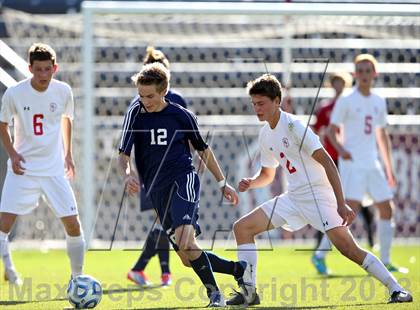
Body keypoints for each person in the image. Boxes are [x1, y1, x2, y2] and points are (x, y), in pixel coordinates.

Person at [226, 73, 412, 306]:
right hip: (294, 198)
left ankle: (397, 289)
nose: (257, 109)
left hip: (318, 196)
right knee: (242, 228)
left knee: (348, 249)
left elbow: (328, 163)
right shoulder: (265, 134)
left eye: (261, 103)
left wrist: (340, 202)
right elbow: (268, 174)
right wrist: (251, 182)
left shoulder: (294, 126)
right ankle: (249, 292)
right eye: (254, 104)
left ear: (277, 101)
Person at [118, 62, 247, 307]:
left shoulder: (180, 115)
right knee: (187, 257)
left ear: (164, 91)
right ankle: (238, 269)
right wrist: (127, 174)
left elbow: (204, 151)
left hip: (183, 180)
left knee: (186, 242)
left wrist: (222, 183)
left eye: (150, 96)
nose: (145, 101)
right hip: (156, 190)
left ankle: (215, 295)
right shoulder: (134, 114)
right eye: (141, 95)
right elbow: (123, 154)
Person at [0, 43, 85, 284]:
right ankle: (10, 270)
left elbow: (67, 119)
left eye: (48, 69)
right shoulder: (14, 93)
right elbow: (2, 124)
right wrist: (13, 155)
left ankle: (77, 279)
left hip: (53, 169)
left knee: (73, 224)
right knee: (3, 225)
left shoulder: (63, 91)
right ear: (30, 68)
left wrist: (68, 154)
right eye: (38, 70)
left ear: (54, 68)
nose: (43, 75)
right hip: (23, 168)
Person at [326, 54, 404, 273]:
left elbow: (382, 135)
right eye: (359, 70)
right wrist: (342, 151)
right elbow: (330, 131)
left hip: (372, 163)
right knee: (347, 213)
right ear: (355, 74)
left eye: (367, 70)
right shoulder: (346, 99)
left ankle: (386, 259)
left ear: (375, 74)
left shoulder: (379, 100)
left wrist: (389, 167)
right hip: (353, 165)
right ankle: (321, 254)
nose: (364, 74)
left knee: (387, 209)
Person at [127, 46, 188, 287]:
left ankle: (152, 271)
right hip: (164, 172)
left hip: (154, 170)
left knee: (165, 223)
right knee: (166, 223)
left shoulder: (140, 101)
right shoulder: (169, 99)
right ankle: (151, 271)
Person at [311, 72, 375, 275]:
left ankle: (321, 253)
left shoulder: (353, 104)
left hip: (351, 160)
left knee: (354, 206)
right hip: (335, 159)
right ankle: (320, 253)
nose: (338, 86)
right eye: (335, 83)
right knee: (343, 205)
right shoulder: (329, 107)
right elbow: (318, 131)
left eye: (341, 83)